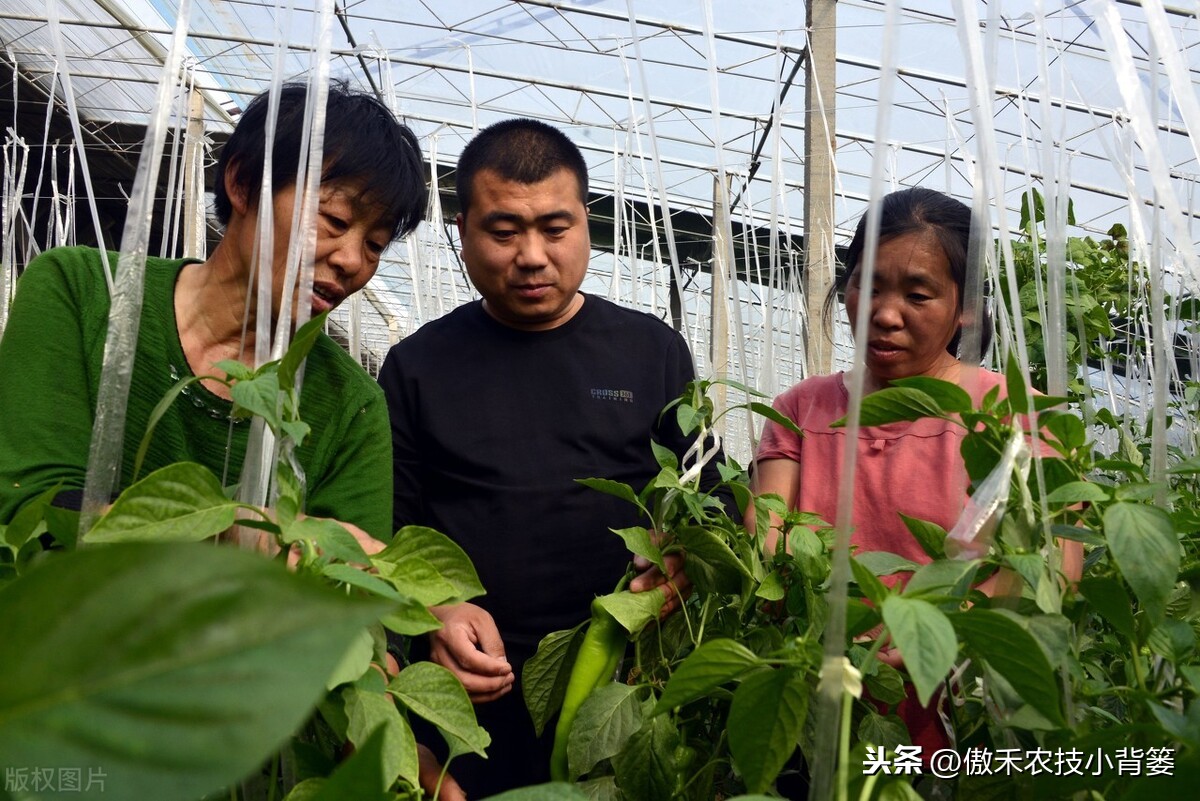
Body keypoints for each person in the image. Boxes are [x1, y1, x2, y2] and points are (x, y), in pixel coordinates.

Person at [378, 118, 718, 796]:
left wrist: (681, 551)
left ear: (585, 224)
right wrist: (433, 608)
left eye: (554, 228)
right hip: (469, 699)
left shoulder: (652, 352)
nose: (531, 255)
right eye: (503, 232)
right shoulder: (418, 367)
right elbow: (388, 530)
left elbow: (708, 496)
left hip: (617, 688)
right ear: (462, 230)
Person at [0, 81, 425, 544]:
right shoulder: (83, 290)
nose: (352, 261)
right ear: (243, 184)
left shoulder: (351, 404)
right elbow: (31, 508)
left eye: (375, 244)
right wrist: (245, 536)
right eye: (335, 221)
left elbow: (352, 592)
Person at [749, 186, 1083, 754]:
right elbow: (768, 540)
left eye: (918, 294)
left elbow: (1051, 571)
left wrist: (947, 631)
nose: (883, 314)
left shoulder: (1013, 418)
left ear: (966, 307)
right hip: (810, 699)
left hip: (962, 710)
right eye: (868, 285)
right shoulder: (802, 409)